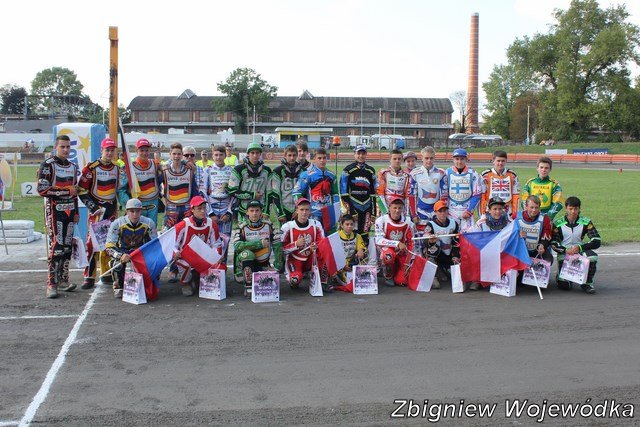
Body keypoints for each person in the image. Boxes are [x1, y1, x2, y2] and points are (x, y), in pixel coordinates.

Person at [37, 134, 79, 298]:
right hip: (54, 211)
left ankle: (63, 279)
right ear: (56, 147)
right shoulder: (48, 165)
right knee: (57, 246)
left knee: (68, 247)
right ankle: (51, 283)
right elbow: (42, 190)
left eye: (68, 147)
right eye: (62, 146)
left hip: (70, 211)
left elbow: (75, 192)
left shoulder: (73, 166)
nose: (65, 150)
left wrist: (76, 211)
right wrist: (65, 191)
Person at [78, 137, 120, 290]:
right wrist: (93, 207)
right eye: (107, 150)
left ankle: (106, 273)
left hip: (111, 210)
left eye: (112, 150)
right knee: (91, 244)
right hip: (96, 211)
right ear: (102, 150)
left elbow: (118, 190)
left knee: (110, 242)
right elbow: (81, 190)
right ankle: (89, 276)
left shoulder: (117, 168)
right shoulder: (91, 168)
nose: (109, 153)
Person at [105, 198, 157, 299]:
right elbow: (109, 246)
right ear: (126, 211)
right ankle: (118, 286)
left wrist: (148, 256)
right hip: (123, 252)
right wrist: (120, 256)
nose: (135, 214)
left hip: (140, 253)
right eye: (132, 211)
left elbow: (154, 244)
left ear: (141, 211)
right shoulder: (117, 223)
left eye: (137, 211)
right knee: (117, 264)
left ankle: (148, 283)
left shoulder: (149, 223)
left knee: (153, 262)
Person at [172, 196, 223, 296]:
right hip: (185, 257)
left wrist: (217, 256)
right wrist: (176, 253)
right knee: (185, 265)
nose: (203, 211)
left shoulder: (211, 224)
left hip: (202, 256)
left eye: (204, 208)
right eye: (199, 209)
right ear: (192, 209)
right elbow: (173, 244)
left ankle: (196, 276)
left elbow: (216, 244)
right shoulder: (183, 224)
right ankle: (185, 283)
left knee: (220, 267)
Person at [551, 196, 601, 294]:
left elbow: (597, 240)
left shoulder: (586, 222)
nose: (573, 212)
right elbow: (553, 243)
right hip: (565, 252)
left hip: (580, 250)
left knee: (593, 257)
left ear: (579, 209)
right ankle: (561, 277)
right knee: (565, 286)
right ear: (566, 208)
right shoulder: (557, 223)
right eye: (570, 209)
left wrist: (580, 247)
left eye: (576, 209)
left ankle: (587, 283)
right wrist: (565, 250)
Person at [233, 200, 282, 296]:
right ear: (247, 212)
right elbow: (237, 246)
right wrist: (259, 244)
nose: (254, 213)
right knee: (246, 254)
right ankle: (249, 286)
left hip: (264, 264)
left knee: (279, 243)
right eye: (251, 211)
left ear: (261, 212)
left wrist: (277, 267)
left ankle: (263, 273)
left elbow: (277, 244)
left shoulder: (268, 225)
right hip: (246, 264)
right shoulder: (242, 227)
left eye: (257, 210)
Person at [281, 198, 329, 291]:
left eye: (307, 210)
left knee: (325, 253)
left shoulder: (316, 224)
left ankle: (323, 282)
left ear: (310, 211)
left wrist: (315, 246)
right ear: (297, 210)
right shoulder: (287, 227)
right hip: (294, 259)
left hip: (310, 258)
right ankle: (296, 277)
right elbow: (282, 249)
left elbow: (322, 243)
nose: (304, 212)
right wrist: (296, 244)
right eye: (302, 209)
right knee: (295, 280)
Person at [469, 196, 512, 290]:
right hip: (486, 252)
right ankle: (477, 279)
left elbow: (513, 238)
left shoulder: (509, 222)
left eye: (500, 209)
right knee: (473, 252)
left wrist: (520, 234)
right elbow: (473, 238)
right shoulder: (481, 223)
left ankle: (505, 278)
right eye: (495, 209)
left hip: (502, 252)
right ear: (489, 210)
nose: (498, 211)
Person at [293, 148, 339, 233]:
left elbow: (335, 195)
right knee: (314, 236)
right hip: (313, 212)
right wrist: (303, 209)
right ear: (314, 159)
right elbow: (296, 193)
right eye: (319, 158)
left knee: (330, 237)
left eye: (324, 158)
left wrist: (337, 209)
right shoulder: (307, 175)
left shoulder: (332, 175)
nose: (322, 160)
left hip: (329, 213)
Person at [117, 138, 162, 225]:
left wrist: (184, 162)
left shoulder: (155, 164)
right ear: (136, 150)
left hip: (153, 203)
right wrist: (129, 204)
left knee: (152, 229)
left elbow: (169, 170)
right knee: (137, 230)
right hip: (137, 204)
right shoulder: (129, 168)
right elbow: (121, 189)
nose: (144, 153)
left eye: (147, 150)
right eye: (141, 150)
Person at [340, 145, 377, 244]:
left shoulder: (371, 170)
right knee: (353, 233)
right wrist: (351, 210)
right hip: (354, 207)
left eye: (363, 153)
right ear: (354, 154)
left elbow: (373, 193)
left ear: (366, 154)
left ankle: (365, 253)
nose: (361, 156)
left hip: (367, 207)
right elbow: (343, 193)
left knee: (365, 233)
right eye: (358, 153)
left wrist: (374, 212)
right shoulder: (347, 170)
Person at [375, 197, 415, 287]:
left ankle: (397, 270)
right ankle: (388, 275)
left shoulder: (408, 221)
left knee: (403, 281)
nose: (397, 210)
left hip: (401, 252)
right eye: (395, 208)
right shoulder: (381, 220)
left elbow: (411, 242)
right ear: (389, 208)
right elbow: (378, 240)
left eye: (399, 208)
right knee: (388, 255)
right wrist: (397, 243)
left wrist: (409, 260)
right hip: (387, 250)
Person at [204, 145, 234, 267]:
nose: (218, 157)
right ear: (212, 156)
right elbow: (203, 192)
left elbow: (234, 193)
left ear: (225, 155)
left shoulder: (231, 171)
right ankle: (211, 265)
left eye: (221, 154)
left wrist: (229, 212)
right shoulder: (207, 170)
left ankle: (222, 266)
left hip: (226, 208)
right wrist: (210, 213)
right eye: (216, 155)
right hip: (212, 207)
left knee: (225, 239)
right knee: (211, 238)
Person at [228, 142, 271, 223]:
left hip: (261, 210)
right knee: (244, 231)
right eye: (252, 153)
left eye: (257, 153)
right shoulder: (238, 169)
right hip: (244, 211)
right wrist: (252, 195)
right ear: (248, 154)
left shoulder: (267, 170)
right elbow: (232, 190)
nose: (255, 155)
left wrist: (266, 211)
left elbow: (269, 192)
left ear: (260, 154)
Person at [408, 146, 446, 237]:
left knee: (437, 238)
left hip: (436, 212)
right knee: (421, 238)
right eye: (426, 158)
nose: (429, 161)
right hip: (421, 211)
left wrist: (441, 212)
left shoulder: (441, 173)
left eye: (431, 158)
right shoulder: (414, 173)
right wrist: (414, 214)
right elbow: (412, 196)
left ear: (434, 158)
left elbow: (444, 195)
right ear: (422, 158)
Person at [442, 148, 482, 232]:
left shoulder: (473, 173)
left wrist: (469, 211)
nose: (459, 162)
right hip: (451, 212)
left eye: (462, 159)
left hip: (467, 213)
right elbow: (444, 194)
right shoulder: (447, 172)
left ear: (466, 159)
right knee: (450, 236)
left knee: (468, 236)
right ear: (453, 159)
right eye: (457, 159)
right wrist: (444, 210)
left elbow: (477, 194)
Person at [161, 143, 198, 230]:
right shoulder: (165, 170)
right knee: (169, 233)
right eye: (174, 154)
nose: (176, 156)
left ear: (182, 155)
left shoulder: (189, 170)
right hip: (171, 208)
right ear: (170, 155)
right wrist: (162, 198)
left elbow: (194, 190)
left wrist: (195, 206)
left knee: (186, 232)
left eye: (179, 154)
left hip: (186, 207)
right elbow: (155, 184)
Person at [423, 201, 460, 289]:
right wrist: (430, 241)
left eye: (445, 210)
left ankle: (445, 270)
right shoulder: (430, 224)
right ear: (435, 212)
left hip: (449, 252)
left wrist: (456, 255)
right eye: (440, 211)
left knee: (461, 253)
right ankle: (433, 276)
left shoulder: (453, 223)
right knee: (432, 249)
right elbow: (425, 240)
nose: (443, 213)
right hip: (437, 253)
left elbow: (456, 241)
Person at [269, 144, 303, 224]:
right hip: (284, 208)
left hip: (298, 208)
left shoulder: (303, 171)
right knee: (284, 231)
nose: (292, 158)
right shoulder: (278, 171)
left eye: (294, 155)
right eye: (289, 155)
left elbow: (305, 193)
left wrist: (299, 209)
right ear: (285, 155)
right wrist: (280, 213)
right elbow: (275, 193)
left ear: (297, 155)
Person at [521, 156, 563, 221]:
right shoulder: (530, 183)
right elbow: (524, 201)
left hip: (546, 219)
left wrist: (547, 217)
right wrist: (530, 214)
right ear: (537, 168)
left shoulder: (555, 185)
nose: (543, 170)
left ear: (550, 169)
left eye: (546, 168)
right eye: (541, 167)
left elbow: (558, 203)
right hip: (531, 219)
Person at [480, 150, 519, 218]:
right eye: (498, 161)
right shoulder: (485, 175)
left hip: (508, 212)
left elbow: (516, 196)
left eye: (503, 161)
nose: (500, 163)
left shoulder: (512, 175)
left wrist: (515, 214)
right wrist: (482, 214)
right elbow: (482, 196)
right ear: (493, 161)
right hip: (490, 212)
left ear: (506, 161)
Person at [516, 195, 553, 266]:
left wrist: (542, 245)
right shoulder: (516, 217)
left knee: (548, 259)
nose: (534, 210)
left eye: (536, 207)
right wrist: (517, 235)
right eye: (531, 207)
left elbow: (546, 236)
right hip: (520, 250)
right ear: (526, 206)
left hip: (537, 250)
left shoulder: (545, 219)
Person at [332, 214, 366, 287]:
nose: (349, 226)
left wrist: (360, 250)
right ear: (342, 225)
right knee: (348, 284)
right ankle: (336, 276)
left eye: (351, 224)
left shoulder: (357, 236)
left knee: (365, 254)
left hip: (351, 262)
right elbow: (334, 254)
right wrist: (342, 266)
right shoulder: (336, 236)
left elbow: (361, 247)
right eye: (347, 224)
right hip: (339, 264)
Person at [377, 149, 410, 215]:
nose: (397, 161)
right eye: (394, 159)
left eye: (399, 159)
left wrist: (406, 213)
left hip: (400, 208)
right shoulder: (384, 173)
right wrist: (385, 211)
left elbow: (407, 196)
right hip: (386, 206)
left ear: (402, 160)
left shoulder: (406, 175)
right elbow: (380, 194)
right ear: (390, 159)